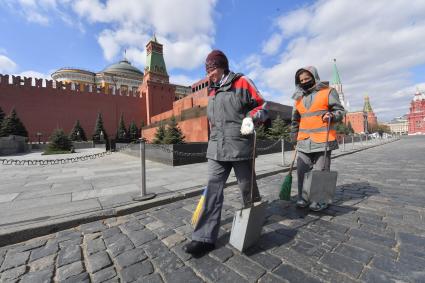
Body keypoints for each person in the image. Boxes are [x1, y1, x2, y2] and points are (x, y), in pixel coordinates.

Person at [183, 50, 268, 255]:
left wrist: (251, 118)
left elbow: (262, 105)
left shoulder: (242, 82)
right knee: (212, 189)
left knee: (247, 187)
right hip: (217, 148)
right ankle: (204, 237)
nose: (209, 73)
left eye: (212, 69)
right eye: (207, 70)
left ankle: (253, 220)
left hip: (240, 146)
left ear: (223, 66)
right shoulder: (212, 91)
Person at [291, 66, 345, 211]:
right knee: (302, 170)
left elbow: (340, 110)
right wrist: (293, 138)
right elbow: (295, 120)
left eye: (307, 79)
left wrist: (332, 115)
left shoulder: (328, 92)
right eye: (301, 80)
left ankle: (320, 200)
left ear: (314, 78)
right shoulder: (298, 98)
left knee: (321, 170)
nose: (304, 82)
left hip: (323, 138)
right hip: (303, 140)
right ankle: (304, 197)